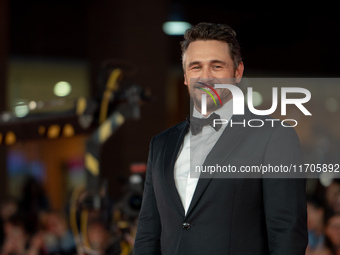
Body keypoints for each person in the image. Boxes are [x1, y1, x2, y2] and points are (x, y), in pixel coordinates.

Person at [134, 22, 307, 255]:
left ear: (237, 72)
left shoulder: (274, 136)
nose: (206, 77)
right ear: (185, 76)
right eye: (196, 67)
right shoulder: (161, 144)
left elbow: (287, 233)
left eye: (216, 66)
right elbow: (148, 230)